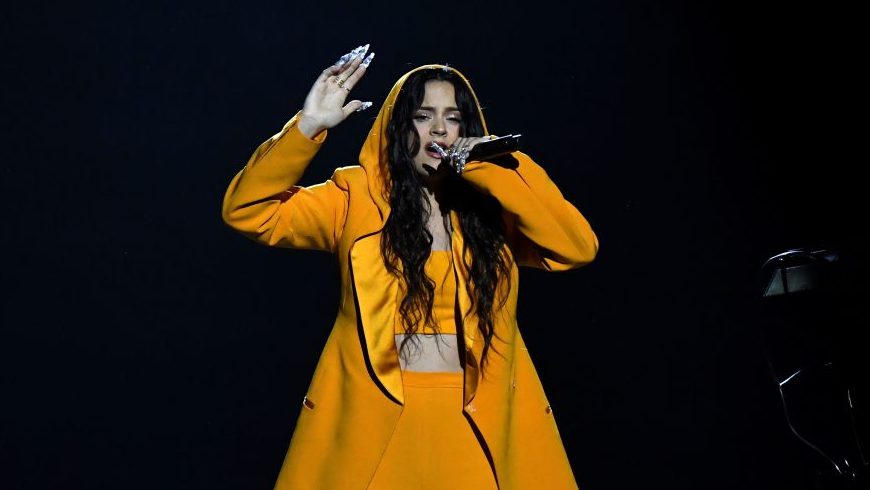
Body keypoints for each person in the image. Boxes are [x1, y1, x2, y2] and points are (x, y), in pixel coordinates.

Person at [222, 43, 599, 489]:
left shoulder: (494, 210)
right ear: (399, 127)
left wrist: (493, 169)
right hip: (374, 431)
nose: (439, 130)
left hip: (477, 427)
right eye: (423, 116)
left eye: (453, 117)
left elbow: (576, 248)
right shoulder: (354, 199)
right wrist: (308, 128)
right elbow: (248, 211)